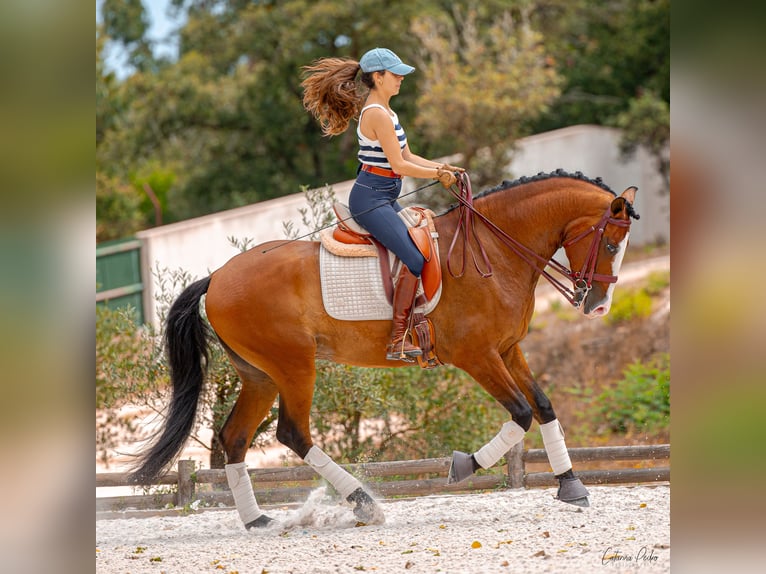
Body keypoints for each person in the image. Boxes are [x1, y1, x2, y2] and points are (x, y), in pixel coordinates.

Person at [302, 47, 464, 361]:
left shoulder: (388, 112)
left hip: (385, 196)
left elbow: (408, 156)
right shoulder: (375, 113)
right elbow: (399, 166)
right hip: (371, 199)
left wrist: (444, 167)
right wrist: (438, 174)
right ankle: (398, 338)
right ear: (378, 77)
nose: (401, 79)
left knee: (424, 246)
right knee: (414, 258)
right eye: (395, 74)